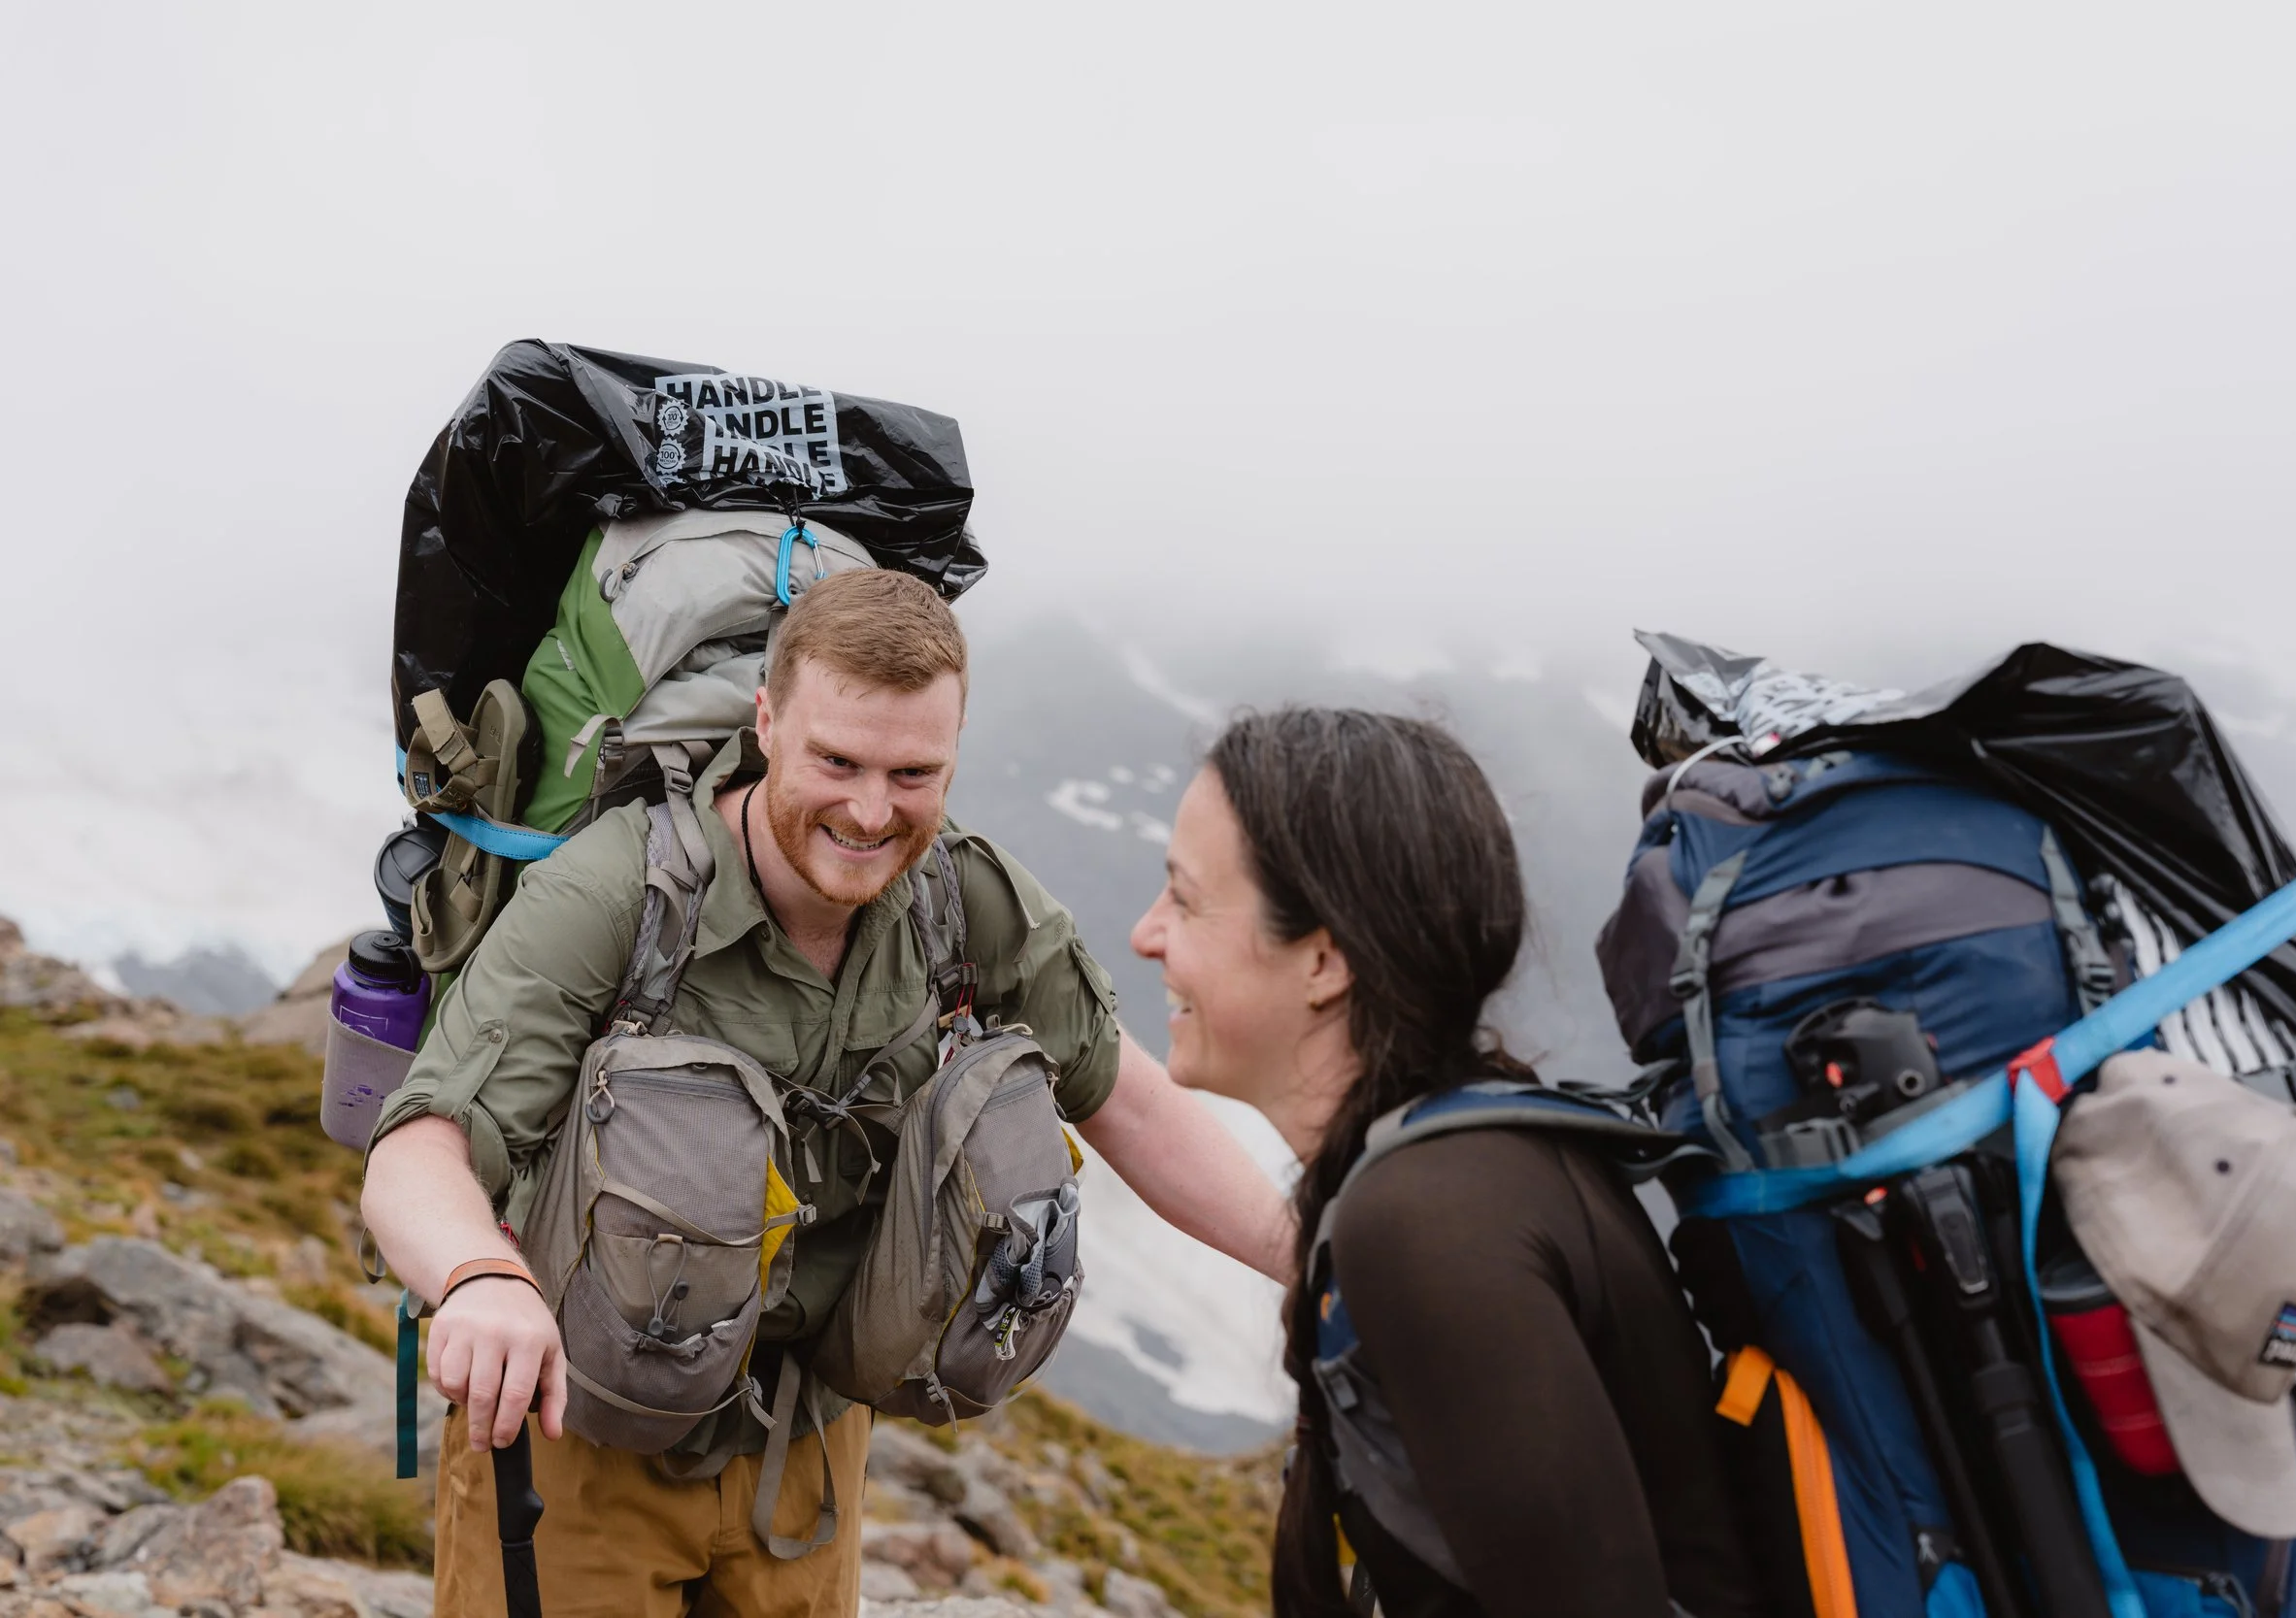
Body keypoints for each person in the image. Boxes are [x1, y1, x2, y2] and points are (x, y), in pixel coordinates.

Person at [361, 569, 1290, 1617]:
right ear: (767, 721)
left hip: (802, 1448)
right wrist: (482, 1276)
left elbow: (1130, 1100)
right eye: (836, 761)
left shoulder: (965, 899)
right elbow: (417, 1146)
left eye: (913, 773)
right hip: (576, 1432)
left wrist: (1325, 1267)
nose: (869, 808)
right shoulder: (617, 893)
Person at [1129, 708, 1766, 1618]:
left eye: (1186, 899)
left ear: (1325, 958)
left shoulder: (1426, 1219)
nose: (1147, 935)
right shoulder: (1480, 1158)